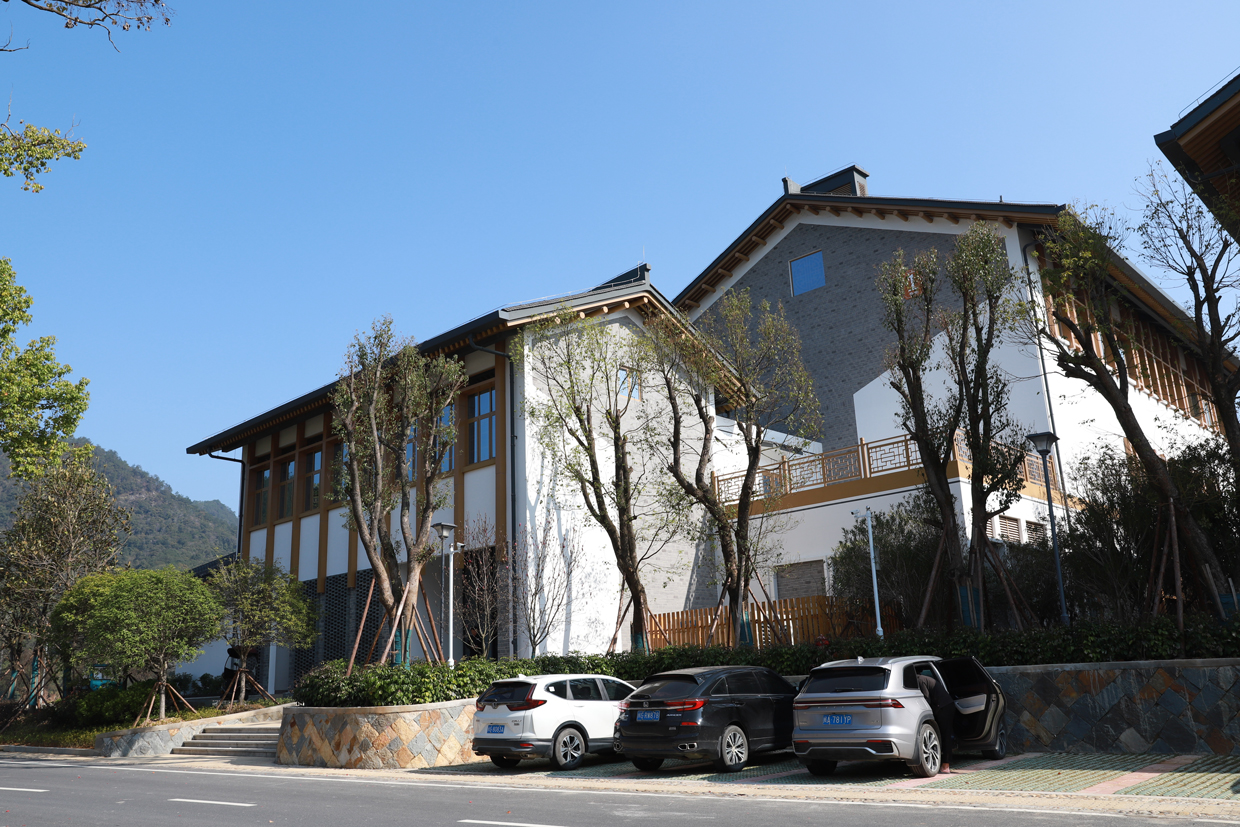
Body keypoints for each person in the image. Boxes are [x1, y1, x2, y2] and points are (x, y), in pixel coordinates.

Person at [917, 670, 955, 773]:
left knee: (945, 735)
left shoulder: (920, 680)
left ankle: (946, 766)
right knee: (944, 735)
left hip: (944, 707)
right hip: (944, 706)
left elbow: (926, 699)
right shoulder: (923, 679)